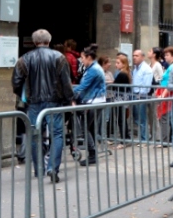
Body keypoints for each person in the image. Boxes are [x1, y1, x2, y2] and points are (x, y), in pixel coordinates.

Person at [12, 29, 76, 183]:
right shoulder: (59, 58)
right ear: (49, 40)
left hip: (33, 103)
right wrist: (69, 99)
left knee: (35, 135)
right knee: (58, 134)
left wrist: (24, 96)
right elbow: (66, 83)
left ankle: (38, 169)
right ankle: (52, 168)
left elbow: (16, 82)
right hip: (54, 101)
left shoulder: (24, 59)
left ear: (35, 42)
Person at [73, 45, 107, 166]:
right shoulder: (92, 67)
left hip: (94, 102)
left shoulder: (93, 70)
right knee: (90, 128)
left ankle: (92, 155)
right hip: (95, 101)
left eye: (82, 58)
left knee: (85, 128)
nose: (81, 60)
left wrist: (69, 93)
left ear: (88, 57)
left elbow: (83, 87)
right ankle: (92, 154)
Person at [156, 47, 173, 147]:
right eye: (165, 55)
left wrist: (162, 95)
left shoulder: (172, 67)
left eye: (167, 55)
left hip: (166, 93)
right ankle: (167, 139)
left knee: (164, 117)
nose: (165, 57)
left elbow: (169, 82)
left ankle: (165, 141)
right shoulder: (170, 66)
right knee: (165, 117)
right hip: (164, 92)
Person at [110, 53, 132, 147]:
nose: (116, 64)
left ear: (123, 64)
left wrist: (112, 84)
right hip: (122, 99)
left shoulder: (122, 74)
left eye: (118, 63)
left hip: (120, 99)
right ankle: (125, 137)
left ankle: (124, 140)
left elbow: (115, 86)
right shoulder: (125, 73)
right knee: (122, 119)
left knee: (121, 119)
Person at [131, 49, 153, 144]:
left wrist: (140, 95)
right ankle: (142, 137)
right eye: (133, 55)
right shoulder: (135, 69)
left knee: (142, 118)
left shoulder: (146, 69)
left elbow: (147, 87)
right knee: (137, 118)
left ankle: (144, 139)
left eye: (137, 56)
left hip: (141, 96)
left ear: (142, 57)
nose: (134, 57)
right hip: (134, 95)